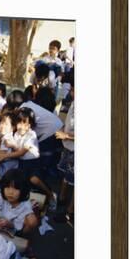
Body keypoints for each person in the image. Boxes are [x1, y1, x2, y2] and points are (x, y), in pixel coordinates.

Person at [0, 169, 39, 236]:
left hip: (14, 230)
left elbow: (17, 227)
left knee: (32, 221)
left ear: (23, 190)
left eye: (16, 188)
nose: (10, 192)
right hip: (0, 222)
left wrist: (8, 224)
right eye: (7, 187)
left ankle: (24, 237)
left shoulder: (25, 206)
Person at [56, 77, 75, 224]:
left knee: (74, 180)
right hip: (67, 147)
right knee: (66, 177)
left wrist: (66, 135)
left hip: (75, 150)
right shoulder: (74, 103)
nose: (72, 93)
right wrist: (63, 130)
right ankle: (61, 202)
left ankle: (70, 211)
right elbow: (68, 122)